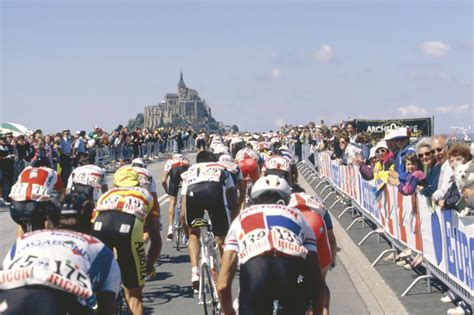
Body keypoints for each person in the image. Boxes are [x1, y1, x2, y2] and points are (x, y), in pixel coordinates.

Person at [217, 175, 325, 315]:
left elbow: (222, 286)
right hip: (291, 269)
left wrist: (229, 312)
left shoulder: (241, 218)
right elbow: (317, 280)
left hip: (255, 269)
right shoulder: (298, 217)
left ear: (253, 200)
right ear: (287, 200)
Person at [0, 193, 121, 315]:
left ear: (47, 224)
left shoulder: (25, 239)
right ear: (90, 226)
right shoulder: (99, 247)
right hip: (57, 300)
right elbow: (108, 307)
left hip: (11, 297)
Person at [91, 167, 159, 315]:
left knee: (101, 292)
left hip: (100, 227)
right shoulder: (147, 195)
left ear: (115, 184)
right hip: (128, 229)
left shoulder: (106, 195)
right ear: (137, 184)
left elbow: (92, 224)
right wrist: (148, 265)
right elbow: (156, 237)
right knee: (134, 296)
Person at [180, 150, 238, 291]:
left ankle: (195, 271)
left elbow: (182, 209)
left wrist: (186, 230)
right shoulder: (222, 168)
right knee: (222, 239)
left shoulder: (191, 171)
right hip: (214, 193)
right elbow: (233, 199)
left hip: (194, 194)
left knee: (194, 233)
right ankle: (225, 275)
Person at [289, 186, 337, 315]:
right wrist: (332, 260)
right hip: (318, 230)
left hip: (295, 233)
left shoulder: (283, 202)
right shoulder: (318, 203)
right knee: (321, 283)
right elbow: (331, 239)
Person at [9, 156, 65, 234]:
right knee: (46, 220)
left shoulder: (25, 170)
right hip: (36, 206)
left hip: (15, 206)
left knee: (21, 224)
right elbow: (61, 192)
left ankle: (20, 244)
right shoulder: (52, 172)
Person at [161, 153, 191, 241]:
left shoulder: (170, 161)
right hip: (185, 170)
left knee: (172, 201)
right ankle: (186, 222)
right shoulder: (186, 159)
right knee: (186, 197)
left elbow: (163, 180)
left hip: (174, 171)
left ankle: (170, 228)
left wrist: (167, 191)